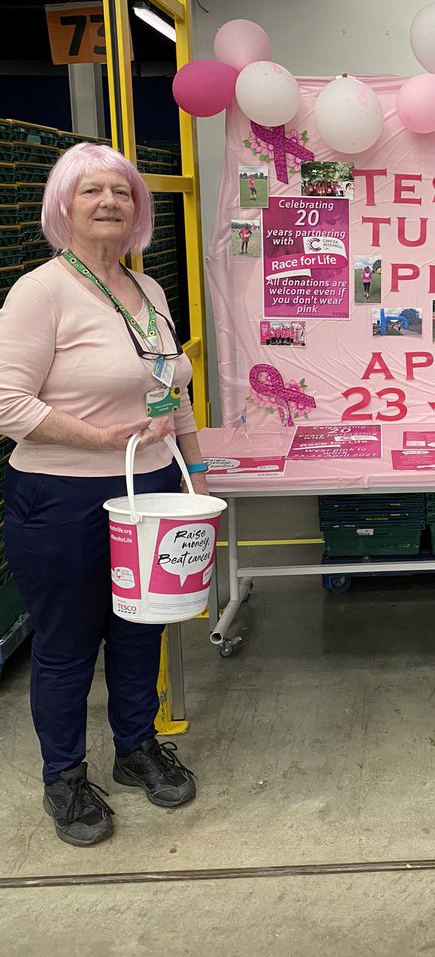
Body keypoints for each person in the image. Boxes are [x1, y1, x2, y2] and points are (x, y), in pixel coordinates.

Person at [0, 143, 203, 846]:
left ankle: (136, 748)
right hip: (61, 497)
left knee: (141, 627)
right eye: (91, 191)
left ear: (137, 208)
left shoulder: (147, 291)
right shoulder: (41, 291)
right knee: (67, 642)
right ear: (63, 205)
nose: (109, 202)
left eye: (122, 191)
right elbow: (7, 403)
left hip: (150, 489)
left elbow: (170, 390)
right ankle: (64, 777)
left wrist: (196, 474)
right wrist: (98, 440)